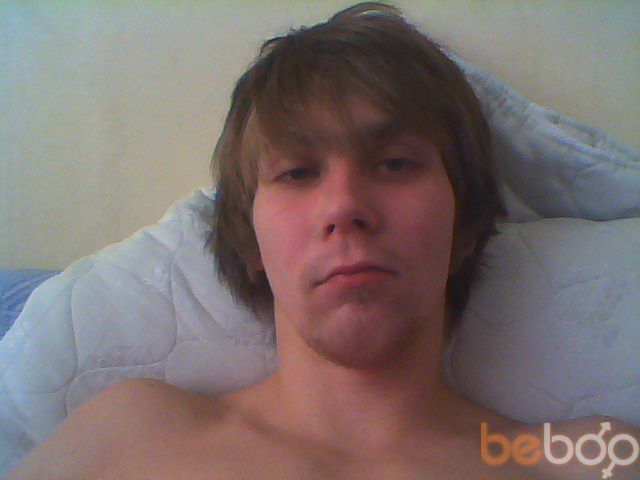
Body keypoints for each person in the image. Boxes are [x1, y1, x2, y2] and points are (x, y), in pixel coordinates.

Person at [6, 2, 639, 479]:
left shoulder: (585, 459)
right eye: (297, 172)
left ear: (467, 225)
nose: (344, 207)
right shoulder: (132, 438)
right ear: (248, 243)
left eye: (394, 162)